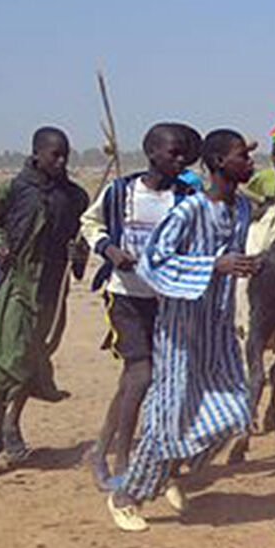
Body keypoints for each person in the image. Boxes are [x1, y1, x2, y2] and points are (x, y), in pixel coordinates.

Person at [106, 129, 261, 531]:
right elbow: (153, 262)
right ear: (217, 164)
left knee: (235, 410)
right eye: (242, 156)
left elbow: (232, 257)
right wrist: (213, 266)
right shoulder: (189, 211)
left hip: (219, 327)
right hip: (181, 331)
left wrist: (248, 264)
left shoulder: (242, 209)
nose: (250, 163)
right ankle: (125, 497)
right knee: (169, 418)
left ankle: (167, 471)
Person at [81, 123, 200, 488]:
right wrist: (109, 250)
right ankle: (122, 462)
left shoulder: (185, 199)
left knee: (136, 382)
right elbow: (89, 223)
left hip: (167, 301)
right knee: (141, 374)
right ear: (152, 153)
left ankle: (100, 451)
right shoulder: (121, 192)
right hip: (125, 296)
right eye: (173, 153)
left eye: (184, 154)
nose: (180, 160)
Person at [0, 127, 90, 476]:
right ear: (37, 154)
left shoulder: (76, 197)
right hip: (12, 284)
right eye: (55, 155)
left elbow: (83, 240)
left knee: (31, 359)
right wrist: (0, 244)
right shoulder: (15, 187)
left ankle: (12, 425)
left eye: (66, 155)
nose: (62, 161)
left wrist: (77, 252)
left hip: (50, 290)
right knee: (2, 359)